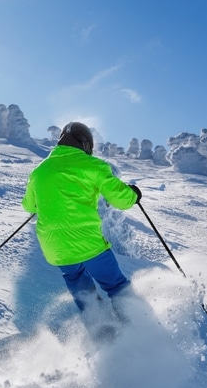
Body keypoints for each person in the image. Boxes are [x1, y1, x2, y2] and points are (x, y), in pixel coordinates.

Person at [22, 121, 142, 312]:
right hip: (87, 241)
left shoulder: (39, 171)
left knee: (80, 287)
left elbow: (28, 205)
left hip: (55, 247)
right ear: (86, 144)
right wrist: (133, 194)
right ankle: (136, 324)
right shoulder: (94, 166)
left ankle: (100, 328)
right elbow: (121, 200)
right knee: (115, 285)